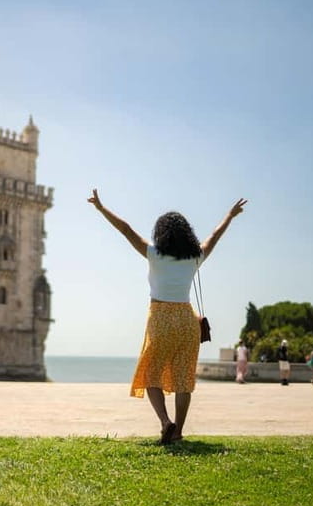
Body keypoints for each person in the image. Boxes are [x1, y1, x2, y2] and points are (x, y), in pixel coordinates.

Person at [89, 189, 247, 444]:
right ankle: (179, 433)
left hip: (161, 317)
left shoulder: (155, 254)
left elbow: (126, 230)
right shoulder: (195, 256)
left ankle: (165, 422)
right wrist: (230, 215)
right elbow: (214, 236)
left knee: (150, 373)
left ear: (160, 233)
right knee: (184, 379)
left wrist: (101, 208)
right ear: (187, 234)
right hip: (187, 320)